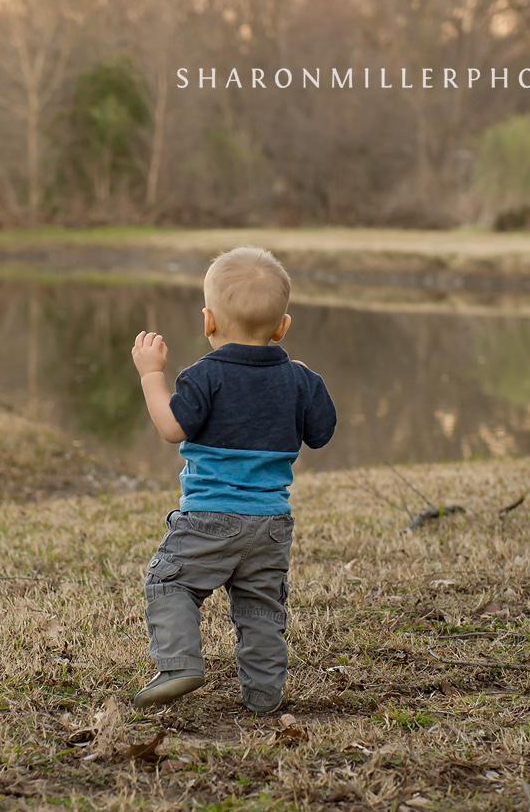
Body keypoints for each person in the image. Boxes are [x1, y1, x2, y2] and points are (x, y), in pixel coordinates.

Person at [128, 246, 337, 713]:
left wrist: (151, 375)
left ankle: (180, 663)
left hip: (209, 519)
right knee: (261, 609)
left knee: (170, 584)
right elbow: (321, 433)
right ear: (283, 327)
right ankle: (264, 695)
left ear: (208, 322)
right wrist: (308, 379)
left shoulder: (202, 376)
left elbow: (171, 428)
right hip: (271, 525)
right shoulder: (299, 380)